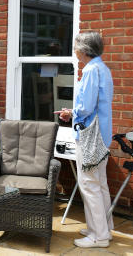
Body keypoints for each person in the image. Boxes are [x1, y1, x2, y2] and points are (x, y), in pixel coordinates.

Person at [55, 32, 114, 248]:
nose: (74, 51)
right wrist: (75, 111)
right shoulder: (103, 68)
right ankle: (103, 229)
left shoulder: (90, 70)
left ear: (84, 49)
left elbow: (87, 107)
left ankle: (98, 236)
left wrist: (72, 113)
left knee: (89, 184)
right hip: (102, 134)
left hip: (90, 135)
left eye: (75, 47)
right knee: (100, 183)